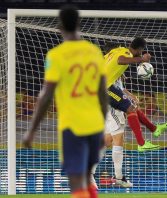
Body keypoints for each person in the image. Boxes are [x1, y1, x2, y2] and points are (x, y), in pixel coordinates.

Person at [22, 6, 108, 198]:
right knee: (87, 177)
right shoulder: (94, 51)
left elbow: (46, 95)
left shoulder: (56, 55)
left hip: (72, 125)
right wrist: (102, 127)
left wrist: (32, 130)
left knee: (76, 181)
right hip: (95, 124)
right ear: (79, 23)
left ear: (60, 26)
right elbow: (103, 93)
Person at [105, 38, 167, 152]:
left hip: (105, 86)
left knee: (132, 107)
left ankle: (153, 130)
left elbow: (111, 62)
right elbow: (120, 60)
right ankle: (141, 143)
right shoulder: (124, 53)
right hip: (104, 89)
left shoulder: (115, 51)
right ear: (140, 49)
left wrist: (118, 73)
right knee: (129, 111)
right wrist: (142, 59)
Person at [91, 78, 133, 188]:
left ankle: (89, 173)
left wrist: (130, 95)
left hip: (105, 102)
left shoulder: (113, 70)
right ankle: (119, 177)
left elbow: (119, 87)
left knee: (107, 141)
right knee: (118, 139)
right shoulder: (115, 63)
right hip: (113, 105)